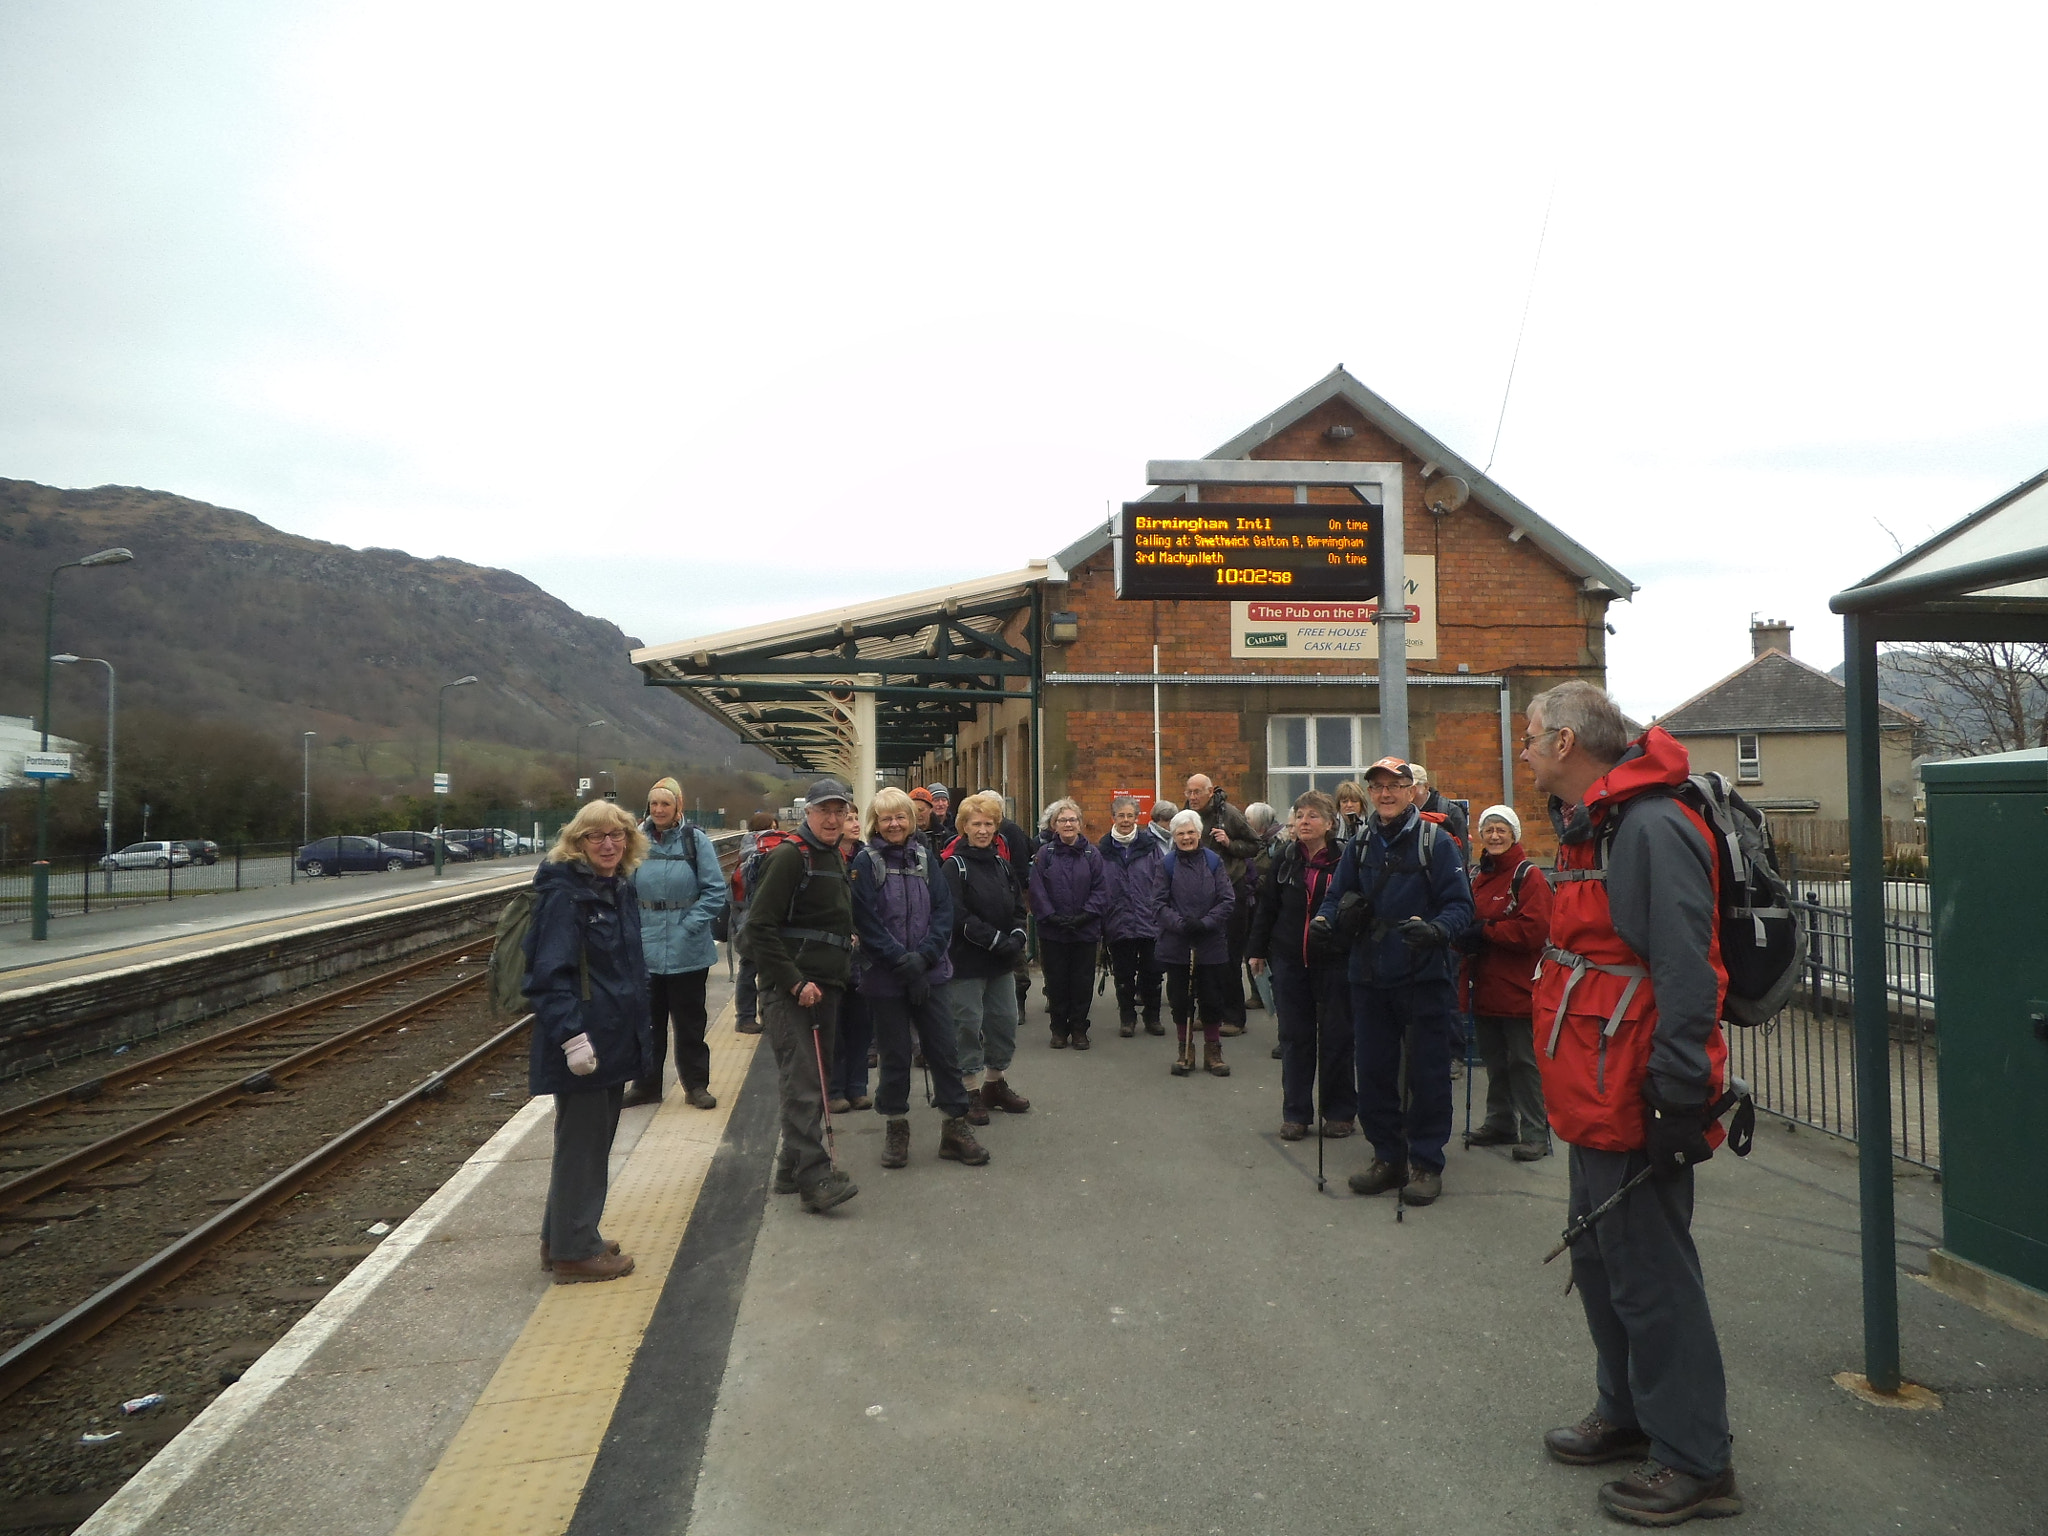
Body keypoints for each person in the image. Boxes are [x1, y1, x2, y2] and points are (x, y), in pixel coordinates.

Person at [1522, 681, 1742, 1525]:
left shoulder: (1650, 826)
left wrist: (1680, 1097)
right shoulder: (1604, 825)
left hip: (1637, 1091)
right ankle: (1628, 1413)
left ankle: (1695, 1459)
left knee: (1653, 1278)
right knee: (1600, 1262)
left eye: (1535, 736)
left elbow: (1690, 968)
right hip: (1591, 1087)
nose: (1528, 749)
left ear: (1570, 743)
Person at [1312, 756, 1474, 1207]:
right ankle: (1387, 1156)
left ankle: (1424, 1161)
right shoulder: (1361, 844)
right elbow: (1335, 897)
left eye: (1395, 786)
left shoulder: (1436, 843)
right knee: (1376, 1070)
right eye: (1378, 786)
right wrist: (1325, 923)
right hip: (1368, 973)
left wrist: (1438, 931)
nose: (1385, 794)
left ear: (1411, 791)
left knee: (1427, 1073)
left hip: (1423, 975)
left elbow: (1462, 906)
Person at [525, 800, 654, 1282]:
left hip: (611, 1037)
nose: (608, 844)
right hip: (585, 1043)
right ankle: (575, 1253)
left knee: (585, 1143)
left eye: (617, 836)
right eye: (595, 837)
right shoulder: (567, 896)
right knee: (583, 1145)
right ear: (577, 843)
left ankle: (561, 1236)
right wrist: (573, 1038)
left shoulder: (613, 888)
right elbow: (547, 976)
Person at [740, 778, 860, 1214]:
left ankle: (791, 1170)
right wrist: (793, 981)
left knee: (815, 1079)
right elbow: (758, 929)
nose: (832, 818)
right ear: (807, 813)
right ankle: (815, 1179)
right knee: (804, 1084)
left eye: (839, 811)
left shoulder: (832, 855)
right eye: (824, 810)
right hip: (793, 991)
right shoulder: (791, 856)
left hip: (824, 987)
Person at [850, 787, 987, 1169]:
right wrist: (901, 960)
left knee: (944, 1050)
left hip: (932, 974)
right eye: (887, 818)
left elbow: (944, 912)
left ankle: (955, 1126)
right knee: (894, 1055)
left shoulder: (927, 859)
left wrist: (924, 958)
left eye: (901, 817)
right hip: (885, 977)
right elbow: (866, 921)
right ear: (876, 823)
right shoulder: (866, 862)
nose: (894, 824)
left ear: (911, 820)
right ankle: (896, 1126)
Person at [1248, 790, 1355, 1140]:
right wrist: (1257, 950)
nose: (1303, 822)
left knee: (1337, 1038)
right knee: (1294, 1038)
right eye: (1299, 815)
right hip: (1291, 960)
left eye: (1312, 816)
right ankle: (1295, 1113)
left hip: (1334, 962)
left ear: (1329, 822)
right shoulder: (1285, 857)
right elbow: (1267, 907)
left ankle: (1339, 1112)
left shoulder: (1345, 859)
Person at [1456, 804, 1554, 1160]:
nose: (1494, 836)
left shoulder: (1528, 876)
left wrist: (1486, 931)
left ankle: (1535, 1131)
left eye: (1501, 830)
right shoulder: (1477, 876)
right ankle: (1500, 1122)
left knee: (1524, 1063)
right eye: (1488, 830)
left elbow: (1534, 930)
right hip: (1484, 985)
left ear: (1514, 834)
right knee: (1495, 1060)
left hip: (1518, 987)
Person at [626, 777, 727, 1109]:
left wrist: (690, 925)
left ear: (677, 806)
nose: (658, 810)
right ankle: (646, 1085)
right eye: (654, 804)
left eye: (665, 804)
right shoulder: (635, 841)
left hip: (689, 950)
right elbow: (623, 889)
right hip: (646, 948)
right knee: (647, 1023)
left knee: (689, 1024)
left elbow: (715, 891)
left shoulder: (695, 841)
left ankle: (696, 1085)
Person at [943, 791, 1033, 1122]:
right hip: (966, 963)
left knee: (1003, 1022)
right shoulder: (954, 866)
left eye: (989, 824)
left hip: (1001, 963)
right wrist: (995, 940)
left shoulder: (1002, 865)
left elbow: (1017, 907)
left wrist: (1018, 934)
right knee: (966, 1025)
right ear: (963, 827)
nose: (983, 830)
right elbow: (957, 915)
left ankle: (995, 1084)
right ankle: (968, 1090)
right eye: (976, 823)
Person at [1154, 809, 1236, 1078]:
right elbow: (1158, 904)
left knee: (1212, 999)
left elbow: (1227, 899)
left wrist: (1206, 923)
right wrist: (1180, 924)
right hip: (1178, 944)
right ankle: (1185, 1050)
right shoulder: (1166, 864)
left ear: (1198, 834)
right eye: (1180, 833)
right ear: (1174, 836)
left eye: (1191, 832)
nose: (1186, 837)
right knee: (1180, 998)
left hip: (1210, 943)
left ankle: (1213, 1052)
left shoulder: (1213, 862)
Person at [1030, 797, 1110, 1049]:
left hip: (1084, 931)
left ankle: (1078, 1028)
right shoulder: (1045, 854)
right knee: (1055, 982)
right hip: (1052, 932)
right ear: (1054, 825)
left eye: (1072, 819)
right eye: (1062, 820)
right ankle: (1058, 1029)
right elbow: (1036, 889)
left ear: (1080, 823)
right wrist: (1051, 916)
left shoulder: (1092, 854)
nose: (1067, 824)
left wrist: (1085, 916)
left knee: (1081, 981)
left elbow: (1101, 889)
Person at [1184, 774, 1258, 1035]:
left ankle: (1234, 1018)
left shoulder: (1231, 814)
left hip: (1230, 892)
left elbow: (1255, 845)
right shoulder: (1186, 814)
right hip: (1198, 893)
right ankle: (1208, 1014)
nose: (1192, 797)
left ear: (1210, 791)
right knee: (1202, 957)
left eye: (1197, 792)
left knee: (1228, 957)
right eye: (1189, 792)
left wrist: (1229, 843)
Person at [1099, 795, 1164, 1037]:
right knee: (1123, 974)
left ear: (1138, 818)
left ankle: (1152, 1017)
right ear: (1113, 818)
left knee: (1153, 972)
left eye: (1130, 816)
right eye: (1121, 816)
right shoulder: (1102, 849)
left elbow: (1161, 882)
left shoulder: (1151, 847)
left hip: (1149, 920)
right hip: (1118, 921)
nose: (1125, 820)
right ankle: (1127, 1018)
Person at [829, 815, 875, 1113]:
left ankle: (857, 1087)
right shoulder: (826, 857)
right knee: (835, 1027)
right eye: (848, 819)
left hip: (864, 955)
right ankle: (834, 1088)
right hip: (833, 954)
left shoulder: (868, 857)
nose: (854, 823)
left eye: (857, 817)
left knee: (861, 1024)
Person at [732, 811, 776, 1035]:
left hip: (745, 919)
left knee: (747, 969)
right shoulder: (774, 850)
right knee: (771, 969)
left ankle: (745, 1017)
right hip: (768, 918)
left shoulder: (743, 853)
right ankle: (767, 1015)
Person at [1242, 801, 1281, 1016]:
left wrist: (1257, 881)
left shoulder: (1278, 843)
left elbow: (1274, 874)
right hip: (1251, 903)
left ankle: (1272, 992)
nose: (1246, 824)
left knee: (1269, 950)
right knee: (1251, 947)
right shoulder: (1253, 843)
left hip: (1266, 902)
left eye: (1249, 820)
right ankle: (1257, 993)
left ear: (1260, 823)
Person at [1409, 763, 1471, 855]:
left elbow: (1462, 854)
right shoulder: (1400, 812)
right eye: (1405, 788)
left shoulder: (1451, 812)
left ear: (1426, 787)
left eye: (1413, 787)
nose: (1409, 792)